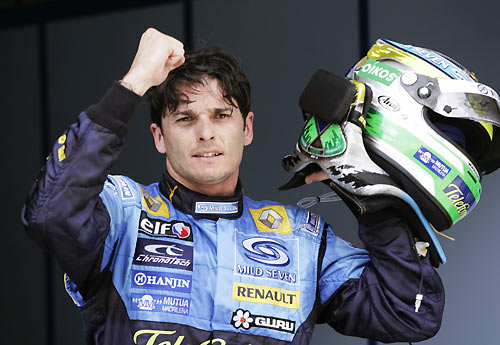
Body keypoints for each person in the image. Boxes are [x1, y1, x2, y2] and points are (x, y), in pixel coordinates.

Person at [22, 28, 446, 345]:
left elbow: (408, 315)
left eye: (221, 115)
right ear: (158, 136)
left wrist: (376, 197)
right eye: (186, 119)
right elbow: (48, 212)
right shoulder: (122, 212)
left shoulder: (300, 238)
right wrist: (134, 82)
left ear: (247, 128)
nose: (205, 133)